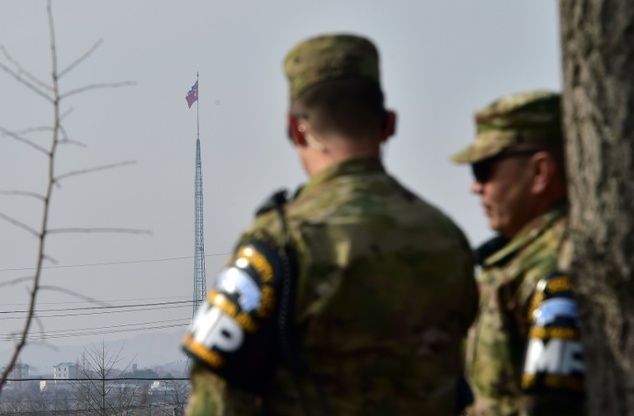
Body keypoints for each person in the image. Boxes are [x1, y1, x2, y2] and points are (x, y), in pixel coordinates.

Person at [182, 33, 479, 416]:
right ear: (388, 124)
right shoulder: (445, 238)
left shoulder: (281, 242)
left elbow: (217, 389)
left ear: (295, 129)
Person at [450, 90, 586, 416]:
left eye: (483, 170)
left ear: (540, 172)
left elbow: (554, 405)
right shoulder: (517, 260)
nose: (475, 187)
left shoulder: (554, 261)